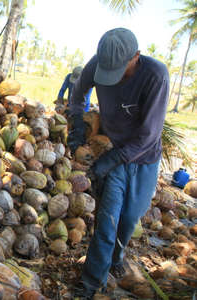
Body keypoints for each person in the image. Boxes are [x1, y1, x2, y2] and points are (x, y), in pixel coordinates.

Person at [67, 28, 169, 298]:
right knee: (107, 221)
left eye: (120, 70)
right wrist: (77, 122)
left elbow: (149, 134)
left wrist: (114, 158)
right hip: (114, 152)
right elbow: (77, 95)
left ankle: (117, 257)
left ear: (136, 56)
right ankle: (91, 282)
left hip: (144, 157)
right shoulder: (97, 64)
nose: (113, 78)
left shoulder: (156, 75)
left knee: (129, 217)